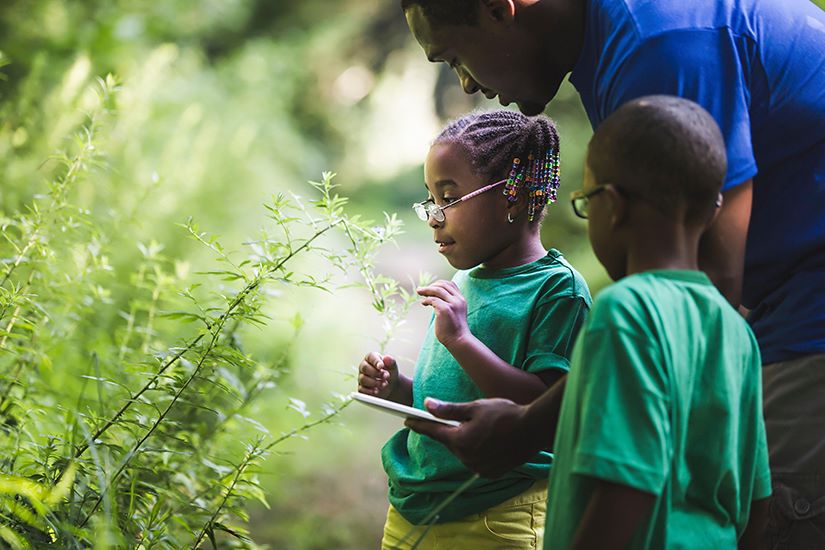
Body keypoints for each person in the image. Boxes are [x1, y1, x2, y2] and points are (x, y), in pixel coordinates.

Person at [400, 1, 825, 545]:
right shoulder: (618, 45)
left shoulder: (659, 46)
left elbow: (702, 290)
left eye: (455, 57)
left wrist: (529, 427)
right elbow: (750, 498)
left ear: (500, 9)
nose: (465, 83)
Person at [357, 109, 591, 549]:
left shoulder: (558, 290)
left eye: (448, 198)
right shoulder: (464, 280)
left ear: (513, 197)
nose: (434, 216)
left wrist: (461, 340)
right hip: (413, 506)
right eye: (430, 199)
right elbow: (455, 398)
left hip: (497, 515)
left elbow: (544, 408)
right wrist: (398, 389)